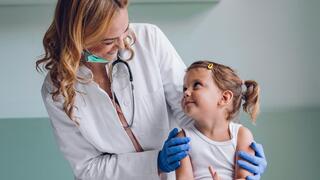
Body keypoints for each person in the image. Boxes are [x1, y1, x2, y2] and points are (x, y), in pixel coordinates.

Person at [36, 0, 267, 179]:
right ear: (79, 36)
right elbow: (88, 168)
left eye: (125, 31)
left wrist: (231, 151)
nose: (123, 45)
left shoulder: (149, 40)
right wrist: (155, 162)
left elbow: (193, 114)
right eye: (108, 41)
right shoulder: (57, 89)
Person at [175, 60, 265, 180]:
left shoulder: (241, 135)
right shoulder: (182, 139)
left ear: (224, 97)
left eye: (196, 85)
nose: (186, 92)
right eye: (185, 88)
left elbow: (244, 177)